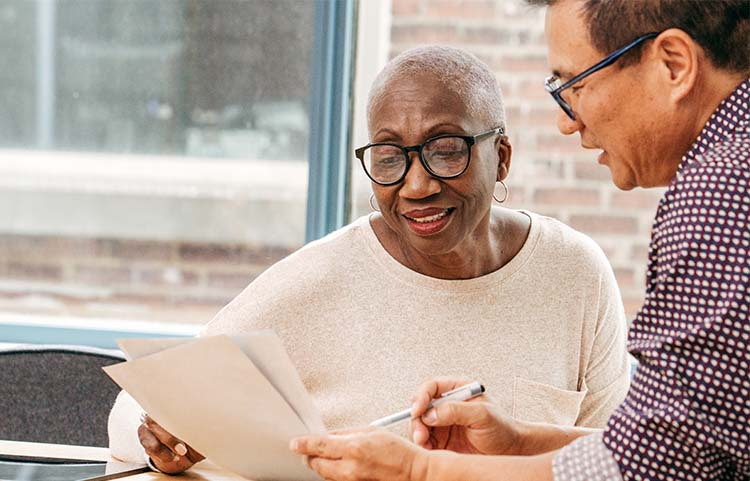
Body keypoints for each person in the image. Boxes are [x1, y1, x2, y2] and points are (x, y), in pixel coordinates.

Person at [108, 45, 630, 474]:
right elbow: (140, 406)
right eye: (389, 156)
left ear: (502, 158)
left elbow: (619, 461)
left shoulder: (575, 274)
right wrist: (168, 440)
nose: (417, 185)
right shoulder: (317, 280)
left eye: (446, 149)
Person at [290, 1, 750, 480]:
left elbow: (654, 467)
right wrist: (521, 442)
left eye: (577, 84)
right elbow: (688, 442)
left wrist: (420, 471)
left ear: (673, 64)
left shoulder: (721, 191)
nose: (568, 121)